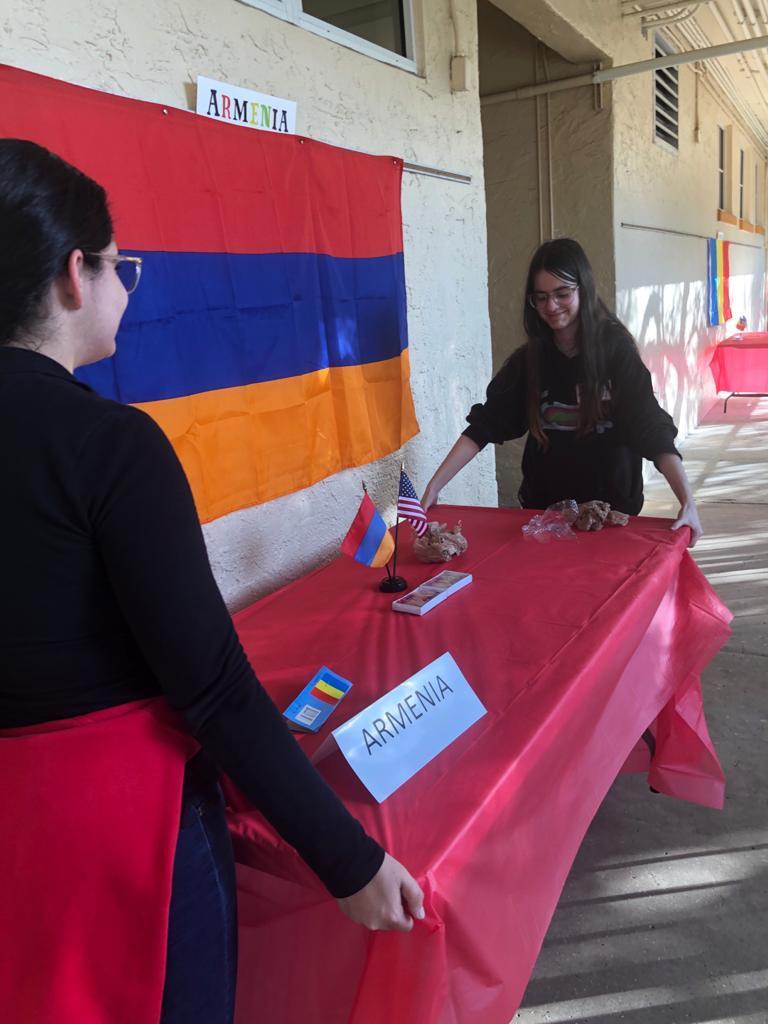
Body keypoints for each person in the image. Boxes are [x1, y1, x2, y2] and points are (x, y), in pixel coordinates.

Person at [0, 139, 423, 1024]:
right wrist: (347, 859)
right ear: (75, 275)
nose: (126, 291)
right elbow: (215, 689)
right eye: (121, 269)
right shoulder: (111, 445)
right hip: (120, 833)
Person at [422, 238, 703, 546]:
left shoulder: (615, 351)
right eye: (541, 297)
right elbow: (484, 425)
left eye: (562, 294)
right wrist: (434, 487)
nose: (551, 306)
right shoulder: (528, 361)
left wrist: (687, 501)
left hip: (612, 513)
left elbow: (650, 426)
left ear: (583, 289)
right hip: (545, 514)